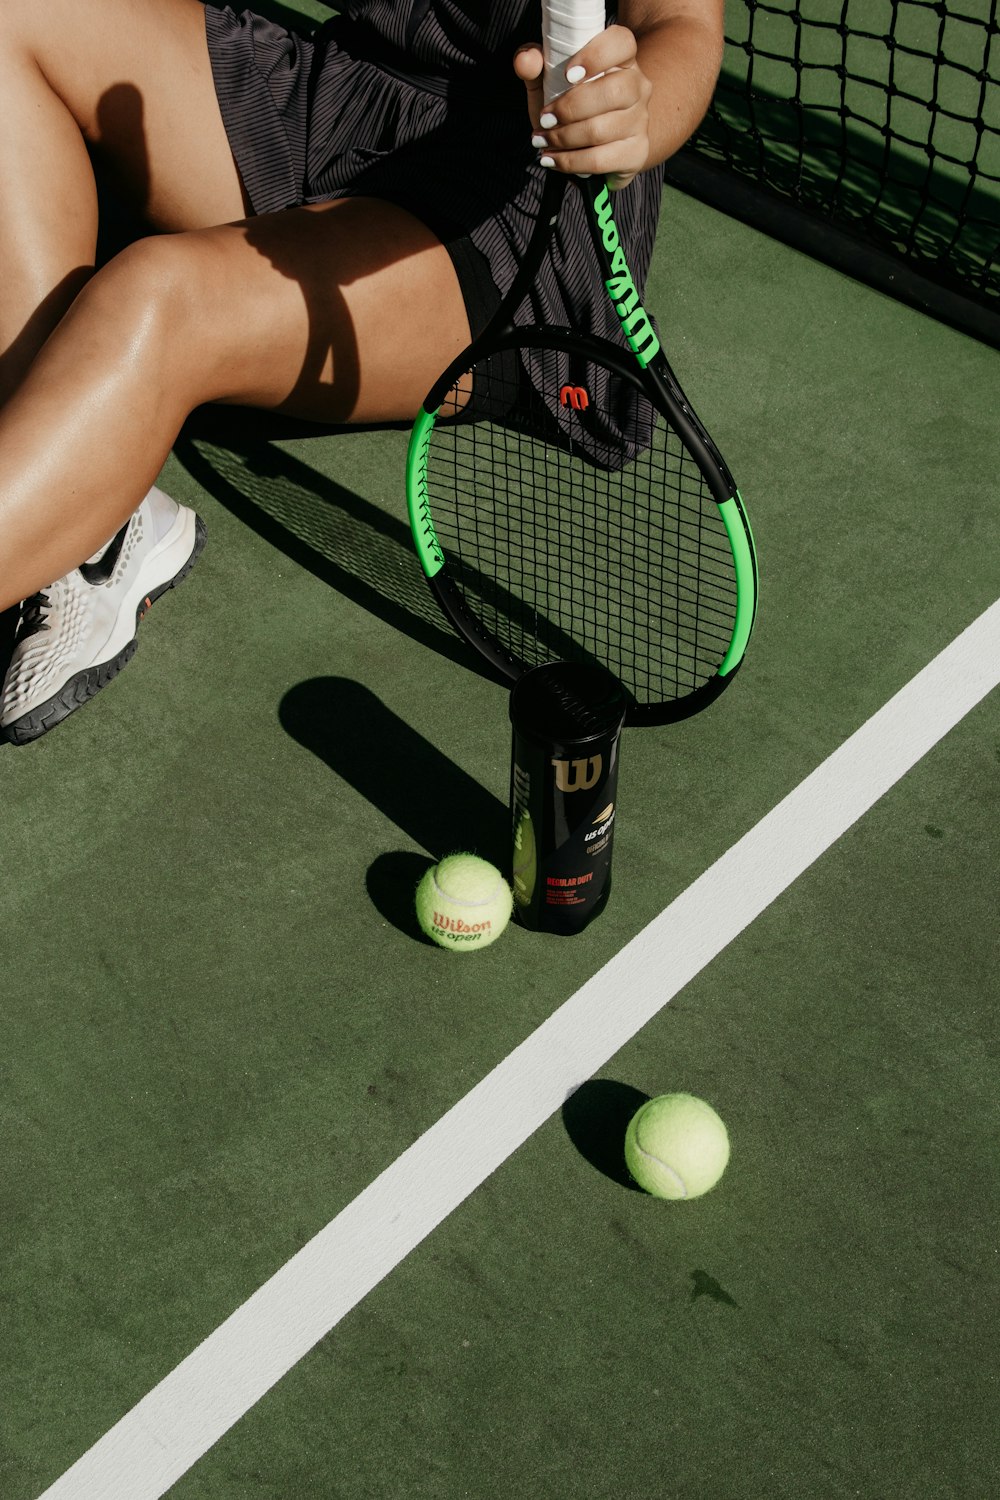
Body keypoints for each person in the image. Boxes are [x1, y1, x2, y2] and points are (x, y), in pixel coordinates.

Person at [0, 0, 724, 743]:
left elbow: (681, 24)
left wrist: (634, 112)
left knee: (157, 300)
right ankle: (83, 528)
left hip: (514, 196)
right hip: (343, 92)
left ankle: (58, 509)